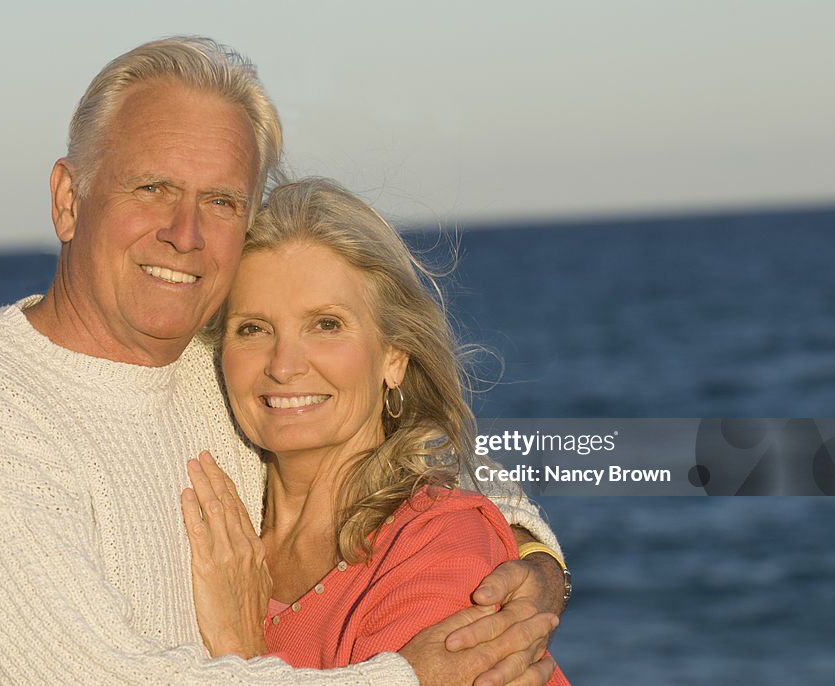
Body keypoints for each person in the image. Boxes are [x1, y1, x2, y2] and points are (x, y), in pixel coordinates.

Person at [0, 37, 565, 685]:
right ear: (69, 200)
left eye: (221, 201)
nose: (184, 233)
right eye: (152, 188)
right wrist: (409, 680)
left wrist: (533, 564)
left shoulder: (220, 367)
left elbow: (408, 451)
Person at [179, 178, 570, 684]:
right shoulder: (222, 527)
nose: (284, 364)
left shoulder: (440, 543)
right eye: (253, 328)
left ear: (394, 357)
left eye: (326, 324)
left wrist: (240, 652)